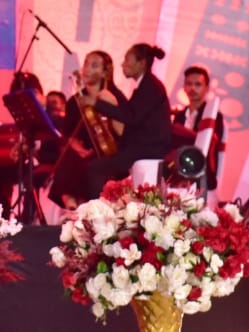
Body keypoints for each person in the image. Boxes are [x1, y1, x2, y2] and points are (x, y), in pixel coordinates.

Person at [84, 42, 173, 196]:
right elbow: (129, 111)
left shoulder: (151, 87)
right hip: (141, 148)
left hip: (147, 150)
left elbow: (131, 117)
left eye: (127, 59)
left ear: (141, 63)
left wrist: (96, 104)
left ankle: (100, 208)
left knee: (95, 169)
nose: (123, 64)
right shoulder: (146, 85)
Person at [48, 51, 125, 209]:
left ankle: (78, 206)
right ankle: (71, 205)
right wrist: (78, 148)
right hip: (83, 153)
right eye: (86, 64)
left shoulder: (115, 97)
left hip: (110, 153)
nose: (87, 69)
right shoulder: (75, 101)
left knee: (89, 165)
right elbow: (68, 135)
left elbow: (123, 133)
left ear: (105, 73)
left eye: (94, 65)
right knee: (70, 157)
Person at [172, 65, 224, 191]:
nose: (193, 88)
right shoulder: (179, 116)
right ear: (184, 87)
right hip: (177, 174)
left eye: (198, 84)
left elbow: (210, 146)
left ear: (207, 88)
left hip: (202, 177)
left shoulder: (213, 117)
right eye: (189, 84)